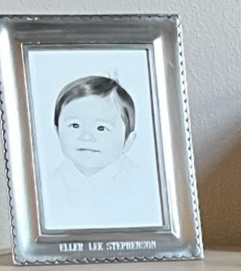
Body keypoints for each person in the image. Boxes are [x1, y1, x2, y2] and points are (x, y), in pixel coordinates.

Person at [38, 74, 164, 230]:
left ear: (128, 142)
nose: (86, 137)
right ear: (57, 132)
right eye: (75, 125)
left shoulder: (139, 185)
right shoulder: (50, 184)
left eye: (101, 128)